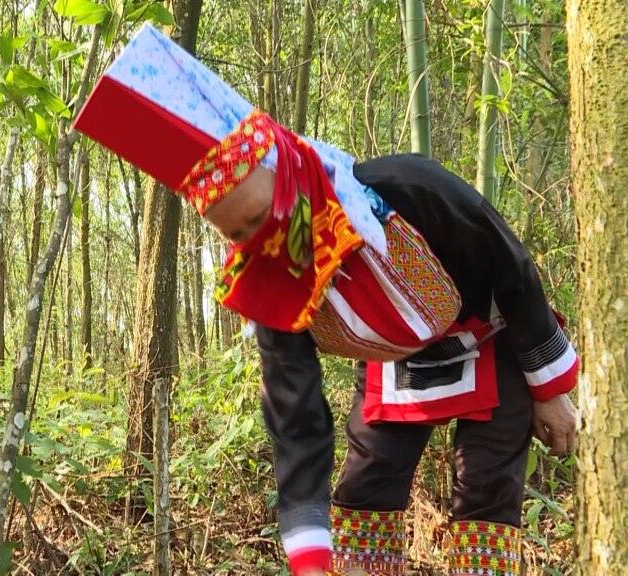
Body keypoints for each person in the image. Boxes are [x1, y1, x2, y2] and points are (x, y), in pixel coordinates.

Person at [73, 24, 578, 576]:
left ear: (284, 171)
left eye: (253, 214)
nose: (253, 237)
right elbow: (297, 427)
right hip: (394, 359)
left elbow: (514, 270)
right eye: (235, 232)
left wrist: (550, 388)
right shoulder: (271, 282)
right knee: (366, 489)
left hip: (492, 336)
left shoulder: (409, 189)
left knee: (485, 491)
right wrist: (310, 559)